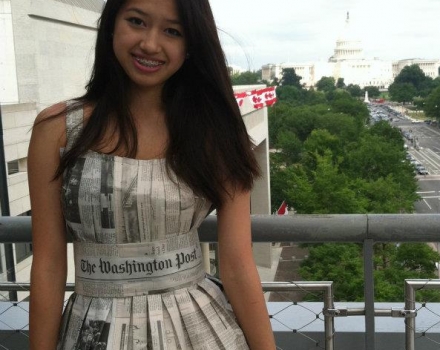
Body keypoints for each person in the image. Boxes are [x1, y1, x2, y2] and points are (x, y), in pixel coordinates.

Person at [27, 0, 275, 349]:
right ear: (112, 24)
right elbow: (49, 264)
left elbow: (236, 264)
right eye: (137, 21)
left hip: (200, 330)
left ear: (191, 46)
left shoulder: (215, 132)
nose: (150, 44)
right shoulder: (57, 130)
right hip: (93, 331)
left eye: (172, 31)